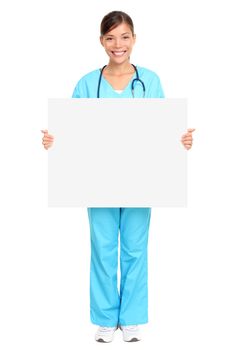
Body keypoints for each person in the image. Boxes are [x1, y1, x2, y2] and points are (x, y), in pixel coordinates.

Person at [41, 10, 195, 343]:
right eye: (110, 37)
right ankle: (106, 319)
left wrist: (180, 141)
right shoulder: (87, 83)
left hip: (142, 180)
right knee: (103, 248)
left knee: (136, 249)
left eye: (124, 36)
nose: (118, 44)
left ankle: (133, 318)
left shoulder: (150, 81)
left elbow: (163, 132)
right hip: (98, 182)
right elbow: (71, 133)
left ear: (134, 40)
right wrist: (54, 141)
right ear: (101, 42)